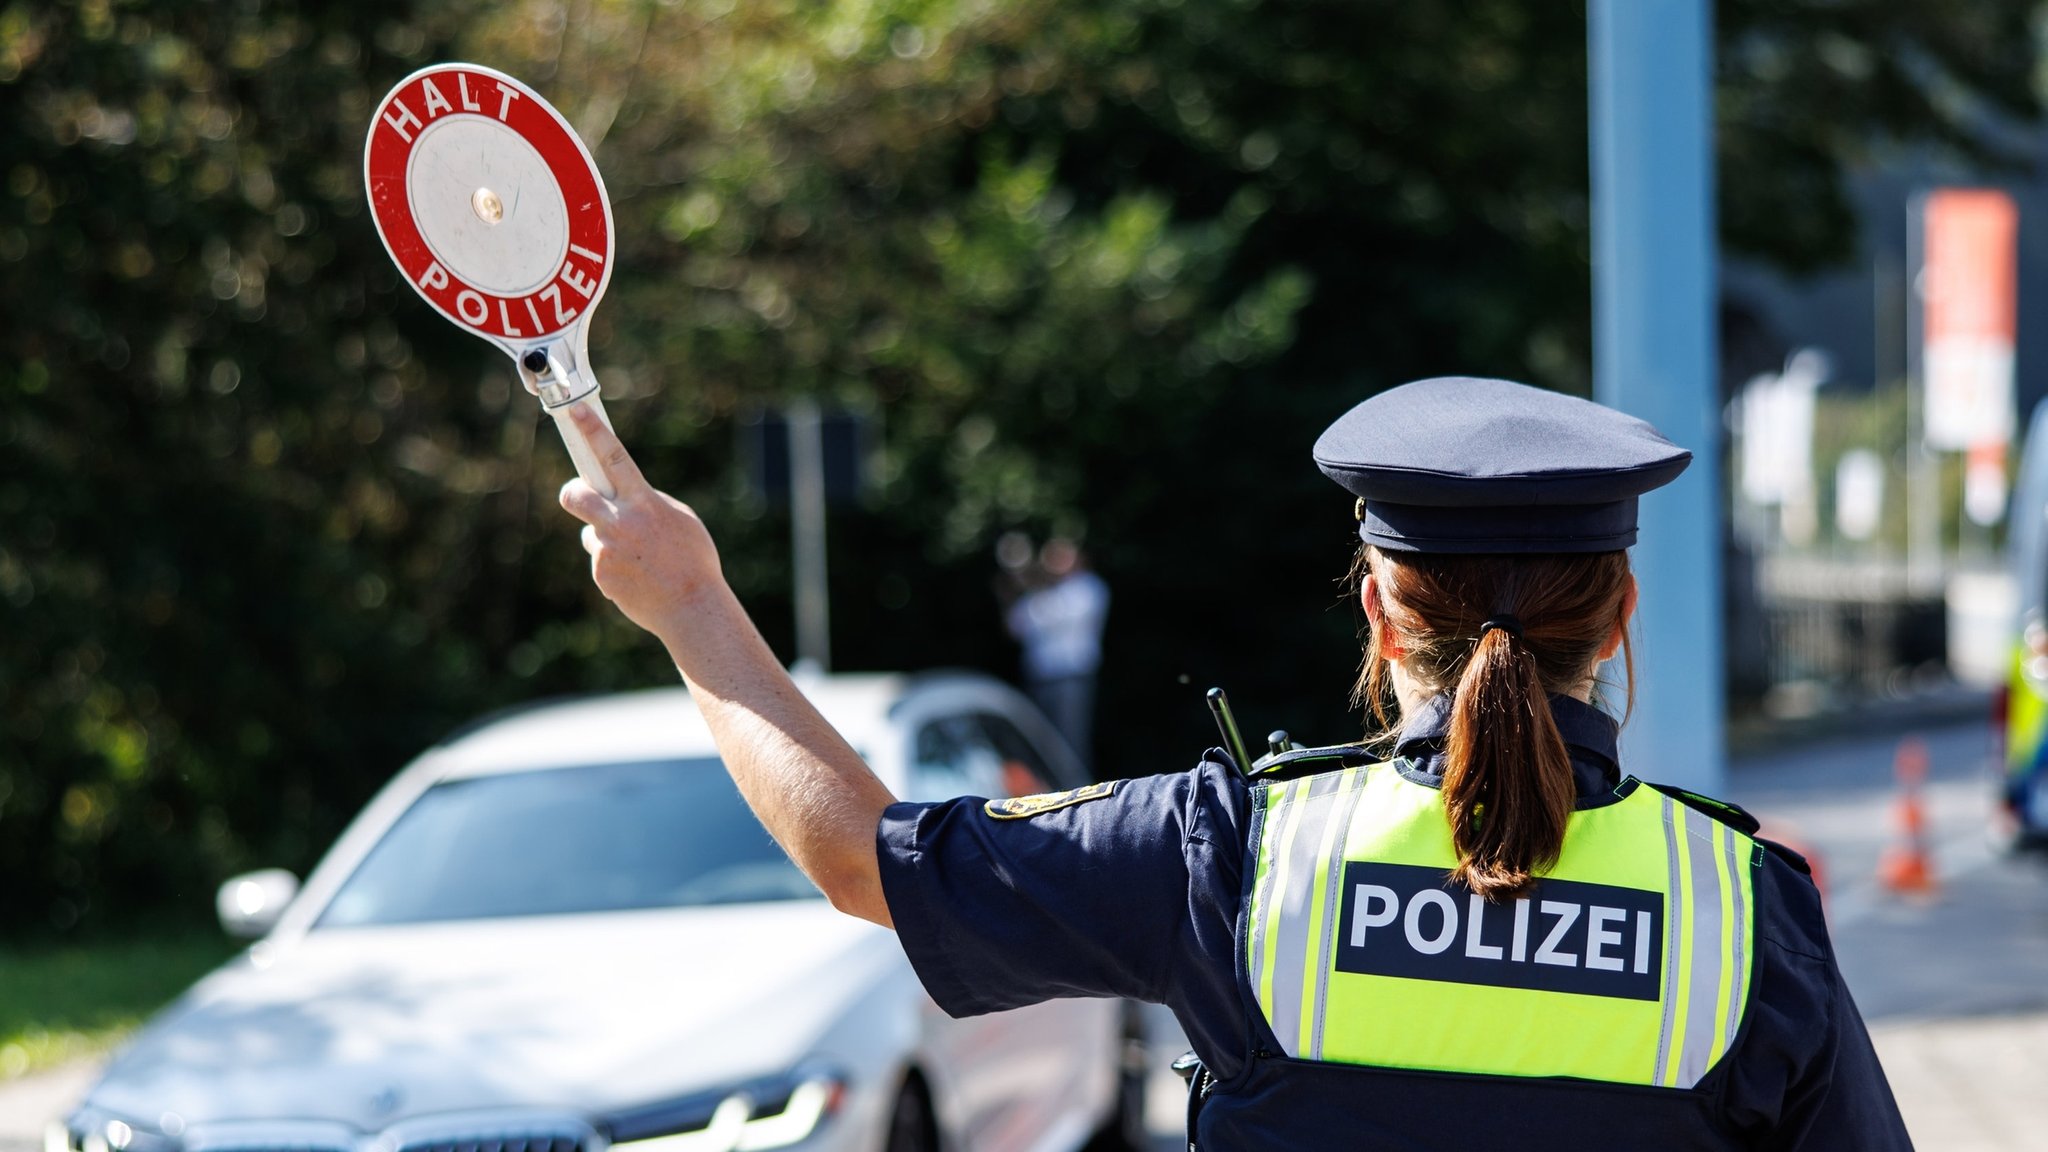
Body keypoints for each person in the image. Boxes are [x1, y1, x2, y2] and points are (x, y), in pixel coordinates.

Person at [557, 376, 1910, 1150]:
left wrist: (690, 606)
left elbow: (862, 857)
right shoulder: (1748, 912)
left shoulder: (1236, 858)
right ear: (1618, 615)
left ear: (1377, 608)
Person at [1001, 537, 1110, 769]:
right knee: (1042, 743)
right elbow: (1016, 627)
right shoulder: (1044, 593)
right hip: (1041, 678)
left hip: (1071, 677)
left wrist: (1030, 587)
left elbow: (1053, 618)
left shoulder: (1088, 587)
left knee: (1070, 741)